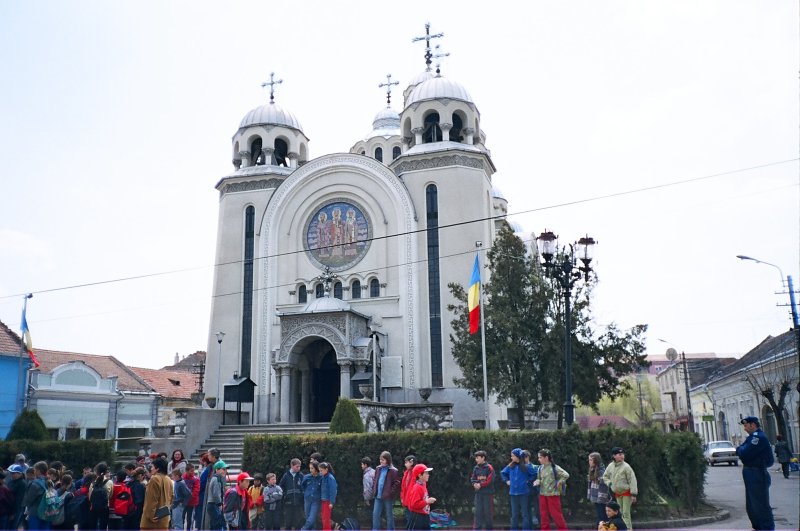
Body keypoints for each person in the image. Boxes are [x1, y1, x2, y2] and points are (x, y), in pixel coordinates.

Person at [736, 416, 775, 531]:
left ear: (753, 425)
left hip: (757, 473)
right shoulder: (752, 437)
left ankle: (766, 527)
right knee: (752, 505)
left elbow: (743, 452)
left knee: (760, 504)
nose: (744, 428)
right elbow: (740, 449)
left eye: (746, 425)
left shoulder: (758, 438)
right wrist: (740, 449)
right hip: (751, 472)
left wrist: (740, 449)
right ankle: (758, 526)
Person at [602, 447, 637, 531]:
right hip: (617, 494)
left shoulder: (626, 467)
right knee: (620, 513)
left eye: (623, 454)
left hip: (627, 493)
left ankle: (628, 529)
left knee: (626, 513)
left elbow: (632, 480)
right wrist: (609, 483)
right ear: (614, 456)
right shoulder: (610, 466)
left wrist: (633, 494)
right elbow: (605, 476)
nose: (622, 456)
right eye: (620, 454)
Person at [533, 448, 569, 531]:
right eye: (538, 457)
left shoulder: (555, 467)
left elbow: (566, 475)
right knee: (543, 515)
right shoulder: (540, 468)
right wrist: (537, 481)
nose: (538, 459)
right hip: (542, 494)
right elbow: (539, 478)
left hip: (553, 495)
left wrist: (559, 482)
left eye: (540, 457)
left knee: (556, 514)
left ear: (546, 457)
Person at [500, 448, 535, 531]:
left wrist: (528, 481)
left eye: (513, 456)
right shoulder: (510, 466)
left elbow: (534, 474)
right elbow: (502, 473)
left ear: (518, 456)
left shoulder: (526, 466)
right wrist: (506, 480)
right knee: (514, 514)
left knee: (525, 514)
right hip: (513, 493)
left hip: (524, 493)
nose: (511, 457)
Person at [141, 457, 174, 530]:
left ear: (157, 468)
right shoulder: (168, 479)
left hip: (152, 521)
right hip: (164, 518)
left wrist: (151, 516)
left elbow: (151, 500)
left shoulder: (155, 479)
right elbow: (172, 498)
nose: (151, 469)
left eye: (152, 466)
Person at [371, 451, 400, 531]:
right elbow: (375, 480)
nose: (381, 461)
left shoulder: (393, 470)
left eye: (383, 460)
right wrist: (374, 489)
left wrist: (390, 492)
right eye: (380, 459)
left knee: (389, 515)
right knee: (375, 514)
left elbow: (396, 483)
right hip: (378, 496)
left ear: (388, 460)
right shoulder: (378, 468)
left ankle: (390, 529)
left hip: (388, 497)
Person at [404, 464, 436, 531]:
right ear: (420, 475)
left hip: (425, 516)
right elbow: (414, 504)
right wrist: (427, 501)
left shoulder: (423, 484)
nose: (428, 475)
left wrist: (427, 501)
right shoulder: (417, 487)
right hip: (417, 517)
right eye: (426, 473)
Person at [22, 461, 51, 531]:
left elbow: (28, 500)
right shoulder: (50, 482)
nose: (34, 472)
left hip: (35, 513)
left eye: (35, 470)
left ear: (39, 471)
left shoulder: (35, 483)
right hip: (47, 512)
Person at [469, 450, 494, 531]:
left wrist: (481, 485)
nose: (476, 459)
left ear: (483, 458)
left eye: (478, 458)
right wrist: (474, 484)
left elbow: (490, 480)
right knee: (477, 512)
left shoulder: (489, 467)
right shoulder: (475, 468)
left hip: (487, 494)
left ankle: (489, 529)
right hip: (478, 494)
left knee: (488, 513)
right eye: (475, 458)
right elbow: (473, 479)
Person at [279, 458, 305, 530]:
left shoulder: (301, 475)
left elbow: (304, 486)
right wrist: (284, 494)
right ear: (292, 465)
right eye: (297, 466)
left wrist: (302, 494)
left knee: (298, 521)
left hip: (298, 502)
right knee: (288, 522)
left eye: (299, 466)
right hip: (288, 502)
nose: (299, 468)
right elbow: (281, 486)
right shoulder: (286, 475)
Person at [587, 452, 610, 526]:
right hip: (596, 497)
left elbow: (604, 486)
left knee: (602, 516)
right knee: (600, 515)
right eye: (589, 460)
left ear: (596, 461)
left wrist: (601, 498)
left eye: (591, 460)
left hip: (601, 498)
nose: (589, 461)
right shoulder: (592, 469)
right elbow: (590, 484)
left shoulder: (601, 471)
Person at [206, 461, 228, 531]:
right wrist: (219, 504)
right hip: (214, 504)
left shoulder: (215, 478)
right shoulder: (217, 479)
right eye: (223, 469)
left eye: (226, 469)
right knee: (217, 525)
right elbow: (216, 494)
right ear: (217, 469)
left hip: (212, 504)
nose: (225, 471)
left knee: (214, 525)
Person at [300, 462, 321, 531]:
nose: (310, 470)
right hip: (307, 499)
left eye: (312, 468)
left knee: (311, 518)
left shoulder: (321, 477)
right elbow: (302, 486)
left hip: (316, 500)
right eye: (310, 468)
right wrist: (306, 493)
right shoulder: (306, 477)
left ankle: (303, 529)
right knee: (308, 517)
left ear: (316, 468)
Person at [8, 464, 27, 530]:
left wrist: (13, 513)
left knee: (13, 527)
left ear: (20, 474)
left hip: (17, 509)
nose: (12, 474)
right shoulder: (11, 481)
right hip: (9, 508)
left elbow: (19, 499)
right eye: (11, 473)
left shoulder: (22, 483)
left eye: (14, 473)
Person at [318, 463, 337, 531]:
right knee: (324, 518)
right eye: (319, 470)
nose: (320, 472)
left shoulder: (330, 478)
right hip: (323, 500)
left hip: (327, 501)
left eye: (321, 470)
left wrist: (331, 502)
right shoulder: (323, 477)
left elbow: (333, 491)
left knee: (326, 518)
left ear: (326, 469)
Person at [399, 455, 416, 527]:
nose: (405, 464)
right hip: (406, 500)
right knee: (408, 518)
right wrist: (402, 498)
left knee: (412, 519)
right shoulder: (406, 473)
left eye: (406, 462)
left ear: (411, 462)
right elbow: (403, 487)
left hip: (412, 500)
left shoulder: (415, 473)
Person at [183, 463, 200, 531]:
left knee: (190, 518)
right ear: (186, 471)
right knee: (182, 517)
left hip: (191, 502)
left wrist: (189, 497)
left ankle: (189, 529)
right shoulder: (182, 478)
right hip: (183, 502)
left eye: (193, 470)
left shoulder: (196, 479)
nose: (193, 472)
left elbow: (196, 490)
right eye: (191, 471)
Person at [361, 457, 375, 522]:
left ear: (365, 465)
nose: (361, 466)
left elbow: (367, 488)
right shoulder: (374, 471)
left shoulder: (366, 475)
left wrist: (367, 499)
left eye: (362, 464)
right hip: (376, 496)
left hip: (371, 498)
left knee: (372, 515)